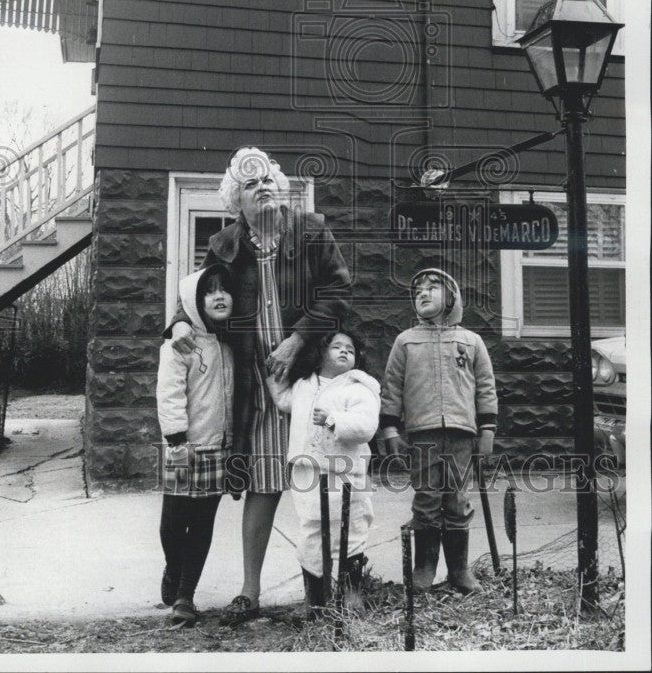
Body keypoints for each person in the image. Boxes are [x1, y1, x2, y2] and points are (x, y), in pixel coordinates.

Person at [165, 146, 351, 626]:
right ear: (236, 201)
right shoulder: (225, 243)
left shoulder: (310, 231)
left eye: (268, 178)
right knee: (264, 487)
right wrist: (179, 324)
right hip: (259, 387)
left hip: (309, 378)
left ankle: (327, 588)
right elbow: (203, 295)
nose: (263, 187)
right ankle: (250, 591)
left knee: (320, 484)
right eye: (251, 184)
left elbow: (338, 292)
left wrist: (297, 340)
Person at [380, 267, 498, 595]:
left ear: (453, 297)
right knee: (427, 499)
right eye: (417, 289)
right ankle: (424, 569)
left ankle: (459, 570)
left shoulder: (471, 341)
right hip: (423, 434)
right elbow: (391, 388)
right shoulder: (405, 341)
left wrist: (487, 429)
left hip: (461, 433)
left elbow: (485, 387)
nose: (423, 292)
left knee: (457, 499)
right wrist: (390, 431)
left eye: (433, 287)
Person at [266, 330, 380, 614]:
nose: (344, 351)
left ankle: (351, 594)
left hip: (347, 473)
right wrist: (269, 369)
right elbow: (283, 399)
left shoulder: (359, 388)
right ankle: (315, 600)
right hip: (308, 471)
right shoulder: (304, 384)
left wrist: (334, 420)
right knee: (311, 531)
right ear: (319, 354)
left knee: (352, 528)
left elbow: (366, 426)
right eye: (336, 346)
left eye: (350, 349)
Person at [156, 264, 235, 627]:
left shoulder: (234, 342)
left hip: (219, 449)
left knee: (202, 524)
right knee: (172, 525)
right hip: (184, 446)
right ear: (193, 300)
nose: (219, 296)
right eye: (209, 291)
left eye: (224, 290)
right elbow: (169, 393)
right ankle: (174, 568)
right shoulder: (180, 343)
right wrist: (175, 439)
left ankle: (186, 595)